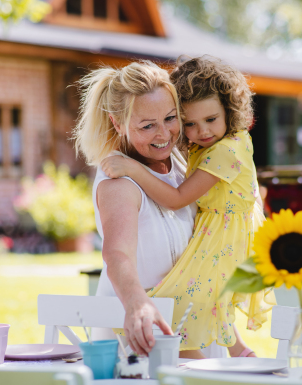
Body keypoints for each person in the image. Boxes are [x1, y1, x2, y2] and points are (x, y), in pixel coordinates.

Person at [73, 60, 258, 358]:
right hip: (146, 332)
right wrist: (137, 303)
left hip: (197, 326)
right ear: (117, 123)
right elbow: (117, 254)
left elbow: (202, 261)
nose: (164, 135)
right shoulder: (119, 182)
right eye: (147, 126)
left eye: (171, 118)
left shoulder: (185, 162)